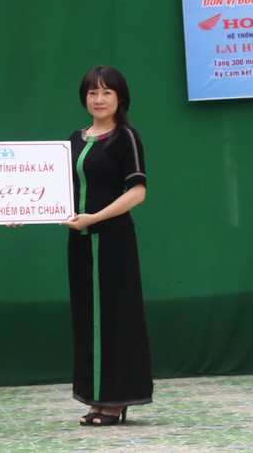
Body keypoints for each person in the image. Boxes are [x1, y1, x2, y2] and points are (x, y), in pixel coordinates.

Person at [61, 65, 153, 426]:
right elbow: (55, 189)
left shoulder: (126, 137)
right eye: (92, 92)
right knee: (87, 318)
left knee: (118, 319)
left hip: (114, 242)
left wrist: (95, 217)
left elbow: (138, 192)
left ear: (120, 98)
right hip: (80, 243)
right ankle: (95, 398)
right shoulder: (74, 139)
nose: (98, 99)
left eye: (106, 92)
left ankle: (116, 400)